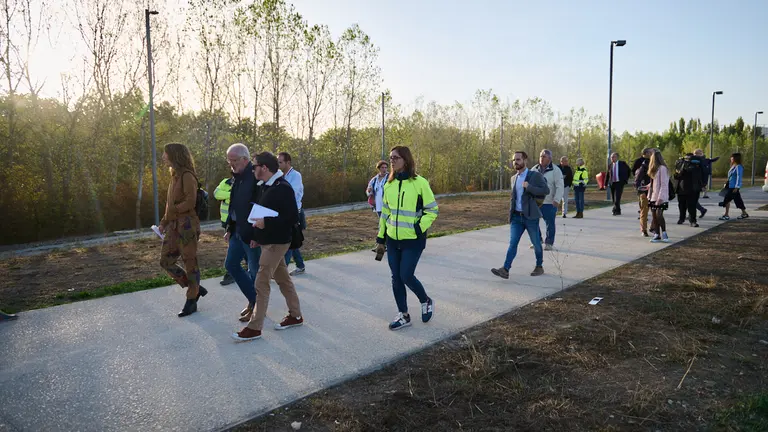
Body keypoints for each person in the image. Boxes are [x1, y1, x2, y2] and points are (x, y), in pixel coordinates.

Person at [233, 152, 303, 342]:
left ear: (264, 168)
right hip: (268, 240)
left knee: (261, 282)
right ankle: (296, 315)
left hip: (277, 242)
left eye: (254, 166)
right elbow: (263, 213)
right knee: (283, 279)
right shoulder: (266, 186)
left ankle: (254, 328)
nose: (252, 170)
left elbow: (292, 217)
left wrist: (266, 224)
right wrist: (257, 236)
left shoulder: (283, 188)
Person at [374, 146, 438, 331]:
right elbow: (385, 213)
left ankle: (425, 300)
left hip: (413, 240)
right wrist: (381, 237)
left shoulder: (420, 183)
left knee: (406, 275)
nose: (392, 161)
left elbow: (432, 210)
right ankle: (403, 314)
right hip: (393, 239)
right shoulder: (389, 184)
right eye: (391, 158)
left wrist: (418, 228)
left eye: (396, 157)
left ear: (406, 160)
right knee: (396, 278)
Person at [158, 143, 207, 317]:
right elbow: (169, 204)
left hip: (187, 224)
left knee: (190, 261)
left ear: (174, 155)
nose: (163, 157)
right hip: (173, 225)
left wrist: (174, 211)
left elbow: (190, 202)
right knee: (165, 261)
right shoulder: (174, 176)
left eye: (165, 154)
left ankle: (191, 299)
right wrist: (164, 222)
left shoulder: (187, 175)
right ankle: (195, 287)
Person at [491, 151, 549, 279]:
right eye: (513, 160)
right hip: (517, 217)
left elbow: (546, 190)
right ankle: (505, 269)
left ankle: (539, 266)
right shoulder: (513, 178)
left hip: (530, 216)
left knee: (536, 243)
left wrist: (529, 187)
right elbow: (514, 198)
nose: (515, 162)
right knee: (513, 243)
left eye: (518, 159)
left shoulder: (534, 175)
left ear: (525, 160)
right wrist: (511, 216)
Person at [224, 143, 262, 322]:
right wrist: (229, 228)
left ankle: (257, 308)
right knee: (231, 265)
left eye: (234, 160)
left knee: (255, 272)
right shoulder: (237, 177)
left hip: (251, 234)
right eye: (229, 160)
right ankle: (253, 300)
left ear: (245, 159)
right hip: (237, 231)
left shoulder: (255, 177)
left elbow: (260, 207)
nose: (231, 164)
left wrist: (257, 235)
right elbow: (233, 205)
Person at [278, 152, 307, 276]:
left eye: (280, 162)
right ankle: (300, 265)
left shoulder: (295, 175)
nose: (278, 164)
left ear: (288, 162)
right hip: (284, 212)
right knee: (292, 241)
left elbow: (291, 193)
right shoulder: (280, 175)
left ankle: (281, 272)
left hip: (294, 213)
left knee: (289, 242)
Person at [531, 149, 563, 250]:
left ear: (549, 158)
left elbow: (560, 186)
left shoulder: (556, 170)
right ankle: (537, 240)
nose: (541, 158)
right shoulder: (534, 169)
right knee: (533, 222)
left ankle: (549, 243)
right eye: (540, 156)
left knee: (550, 223)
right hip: (536, 202)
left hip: (549, 202)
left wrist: (557, 199)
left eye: (544, 156)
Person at [214, 176, 243, 286]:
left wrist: (226, 195)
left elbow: (240, 198)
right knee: (238, 247)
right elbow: (216, 194)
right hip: (226, 221)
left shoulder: (244, 182)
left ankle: (231, 273)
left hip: (237, 222)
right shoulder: (225, 182)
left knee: (236, 247)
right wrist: (231, 194)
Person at [674, 153, 704, 227]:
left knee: (692, 206)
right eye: (686, 158)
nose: (687, 160)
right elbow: (676, 176)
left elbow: (700, 174)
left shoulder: (696, 165)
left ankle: (692, 221)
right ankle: (682, 218)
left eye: (689, 158)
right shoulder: (680, 164)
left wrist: (702, 185)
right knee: (681, 205)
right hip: (681, 188)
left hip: (693, 189)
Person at [648, 150, 670, 243]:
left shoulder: (662, 168)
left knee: (659, 215)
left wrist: (660, 197)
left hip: (661, 197)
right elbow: (654, 183)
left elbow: (664, 184)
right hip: (653, 196)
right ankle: (657, 234)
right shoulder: (654, 169)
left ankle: (664, 233)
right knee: (654, 216)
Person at [718, 152, 749, 220]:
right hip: (730, 186)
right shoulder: (733, 166)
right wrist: (726, 183)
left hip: (734, 187)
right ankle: (744, 213)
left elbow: (739, 177)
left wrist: (737, 187)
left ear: (736, 158)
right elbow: (731, 176)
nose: (731, 159)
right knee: (737, 200)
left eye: (732, 158)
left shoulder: (738, 167)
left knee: (727, 199)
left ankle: (726, 215)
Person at [633, 148, 653, 236]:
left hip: (655, 191)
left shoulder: (657, 164)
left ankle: (652, 227)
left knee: (656, 212)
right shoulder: (643, 165)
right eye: (650, 153)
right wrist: (640, 190)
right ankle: (644, 230)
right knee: (644, 211)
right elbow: (637, 179)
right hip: (645, 191)